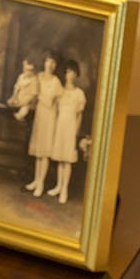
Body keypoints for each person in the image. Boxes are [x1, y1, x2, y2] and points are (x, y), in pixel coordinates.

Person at [22, 56, 61, 197]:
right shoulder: (38, 77)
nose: (50, 65)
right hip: (40, 116)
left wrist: (37, 94)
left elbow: (49, 102)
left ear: (55, 65)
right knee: (38, 151)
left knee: (44, 153)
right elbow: (31, 93)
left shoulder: (56, 81)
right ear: (44, 62)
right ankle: (36, 180)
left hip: (49, 117)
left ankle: (41, 184)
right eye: (48, 61)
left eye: (53, 62)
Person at [49, 62, 86, 206]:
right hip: (60, 126)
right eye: (67, 72)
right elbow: (55, 111)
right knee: (60, 158)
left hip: (71, 127)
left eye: (72, 72)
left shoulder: (79, 93)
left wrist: (76, 131)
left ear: (76, 75)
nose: (69, 75)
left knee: (67, 160)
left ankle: (64, 189)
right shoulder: (60, 91)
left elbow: (79, 115)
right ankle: (58, 186)